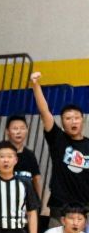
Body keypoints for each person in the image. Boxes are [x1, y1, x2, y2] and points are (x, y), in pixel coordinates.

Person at [29, 71, 89, 221]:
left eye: (76, 118)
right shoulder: (58, 139)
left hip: (85, 209)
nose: (73, 121)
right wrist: (35, 85)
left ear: (83, 120)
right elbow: (44, 112)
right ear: (62, 123)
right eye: (68, 118)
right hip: (60, 207)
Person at [4, 114, 43, 201]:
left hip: (26, 205)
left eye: (22, 128)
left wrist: (38, 202)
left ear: (27, 130)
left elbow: (36, 179)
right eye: (15, 128)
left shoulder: (30, 155)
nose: (19, 132)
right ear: (7, 131)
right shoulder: (0, 153)